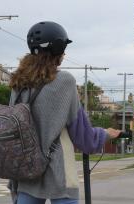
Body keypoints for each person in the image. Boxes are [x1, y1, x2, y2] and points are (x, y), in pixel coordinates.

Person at [8, 21, 121, 204]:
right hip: (58, 172)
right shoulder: (64, 82)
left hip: (25, 171)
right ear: (58, 48)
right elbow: (83, 136)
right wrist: (105, 134)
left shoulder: (18, 83)